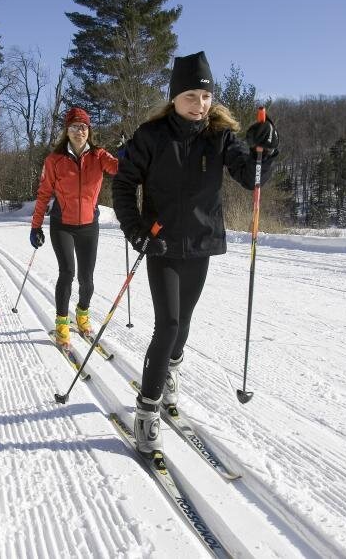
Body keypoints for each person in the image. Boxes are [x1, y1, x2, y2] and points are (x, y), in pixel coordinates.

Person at [112, 52, 279, 456]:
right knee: (167, 324)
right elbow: (122, 186)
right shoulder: (151, 137)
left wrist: (266, 149)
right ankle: (147, 411)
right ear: (174, 98)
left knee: (183, 324)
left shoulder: (219, 135)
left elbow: (251, 177)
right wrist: (137, 233)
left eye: (205, 96)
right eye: (191, 96)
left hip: (201, 243)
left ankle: (169, 371)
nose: (199, 104)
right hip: (162, 243)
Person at [30, 107, 118, 346]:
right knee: (67, 273)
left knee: (86, 277)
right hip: (63, 225)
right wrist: (35, 226)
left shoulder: (99, 155)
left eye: (83, 126)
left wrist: (128, 152)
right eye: (74, 126)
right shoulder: (54, 160)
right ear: (66, 131)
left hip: (89, 225)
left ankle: (82, 315)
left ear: (89, 130)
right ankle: (61, 324)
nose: (79, 131)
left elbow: (119, 168)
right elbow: (44, 193)